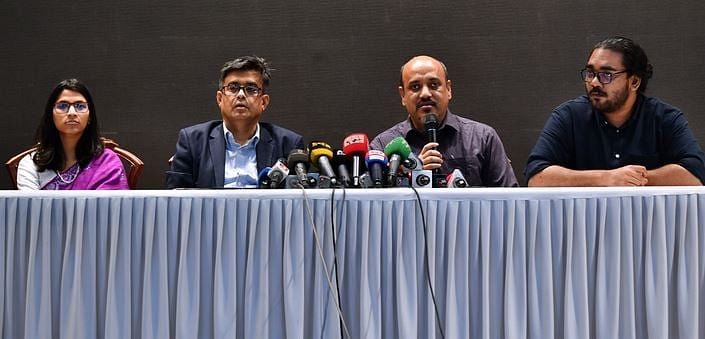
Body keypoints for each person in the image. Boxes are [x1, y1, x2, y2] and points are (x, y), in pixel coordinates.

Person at [525, 36, 705, 186]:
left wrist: (633, 179)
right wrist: (606, 178)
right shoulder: (569, 116)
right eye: (590, 73)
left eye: (606, 75)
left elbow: (695, 175)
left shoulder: (665, 118)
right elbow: (537, 177)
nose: (594, 82)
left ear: (634, 82)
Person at [370, 55, 518, 187]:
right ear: (403, 95)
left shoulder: (482, 138)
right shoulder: (383, 146)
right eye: (415, 87)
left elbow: (510, 203)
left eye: (434, 85)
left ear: (448, 89)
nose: (425, 94)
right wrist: (409, 171)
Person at [166, 56, 304, 188]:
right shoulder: (192, 141)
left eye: (251, 89)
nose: (241, 95)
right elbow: (176, 199)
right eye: (233, 88)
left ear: (263, 102)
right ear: (220, 99)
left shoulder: (288, 144)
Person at [16, 79, 130, 190]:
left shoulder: (107, 161)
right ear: (51, 115)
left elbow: (111, 207)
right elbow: (32, 208)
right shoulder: (31, 164)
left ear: (90, 116)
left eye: (80, 106)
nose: (72, 113)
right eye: (62, 106)